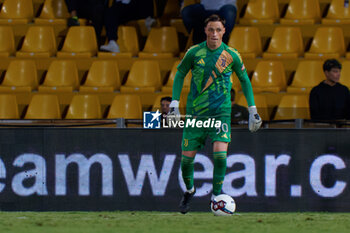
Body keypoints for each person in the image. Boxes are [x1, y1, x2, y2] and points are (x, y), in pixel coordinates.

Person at [167, 14, 262, 214]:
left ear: (224, 31)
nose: (214, 33)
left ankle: (215, 196)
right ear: (205, 31)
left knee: (220, 156)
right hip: (196, 115)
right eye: (211, 29)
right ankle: (190, 190)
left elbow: (244, 80)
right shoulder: (194, 52)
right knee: (186, 162)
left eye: (218, 30)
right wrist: (175, 103)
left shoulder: (232, 55)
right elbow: (180, 73)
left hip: (221, 114)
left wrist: (253, 109)